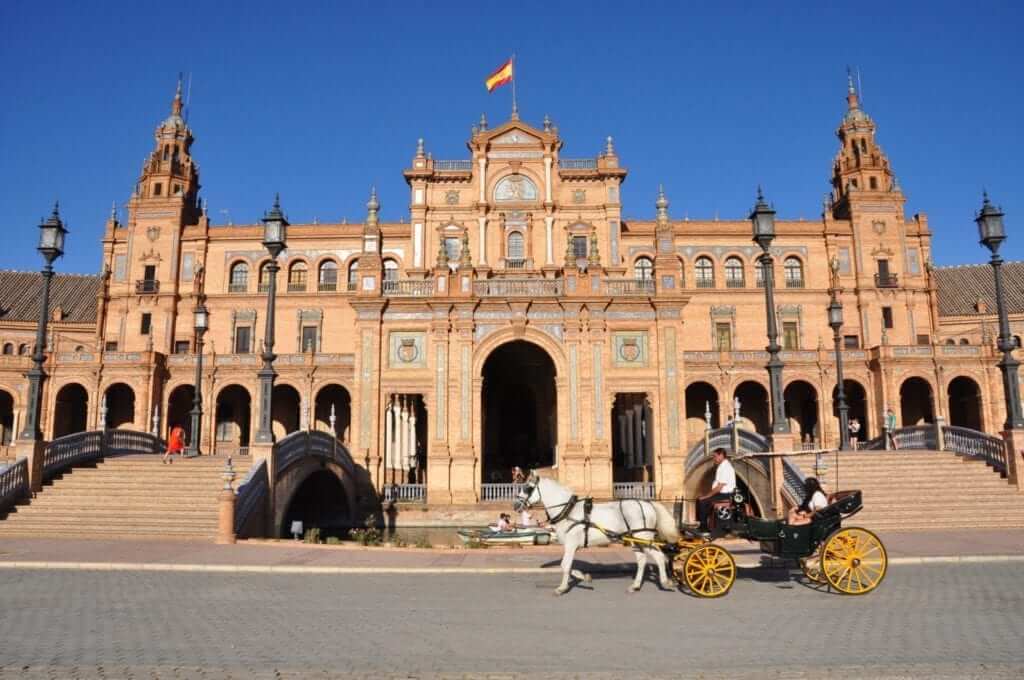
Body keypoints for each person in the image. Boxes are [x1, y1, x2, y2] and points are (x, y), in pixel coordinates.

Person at [696, 448, 736, 533]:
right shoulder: (722, 466)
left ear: (721, 455)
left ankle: (704, 527)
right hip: (721, 494)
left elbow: (719, 487)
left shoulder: (725, 468)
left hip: (725, 495)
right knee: (700, 499)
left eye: (715, 456)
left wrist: (706, 496)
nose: (713, 458)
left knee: (702, 501)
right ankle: (703, 524)